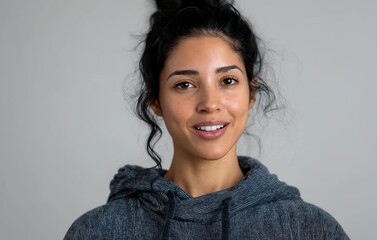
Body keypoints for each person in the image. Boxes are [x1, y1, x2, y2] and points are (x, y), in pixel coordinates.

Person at [65, 0, 349, 239]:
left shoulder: (310, 229)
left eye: (227, 80)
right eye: (185, 84)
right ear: (155, 100)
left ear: (251, 93)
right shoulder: (97, 231)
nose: (210, 104)